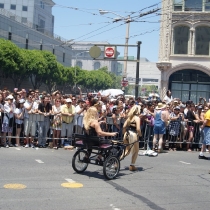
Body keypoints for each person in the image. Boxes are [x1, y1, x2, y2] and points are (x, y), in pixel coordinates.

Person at [122, 105, 142, 171]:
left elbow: (124, 126)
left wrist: (124, 134)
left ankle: (117, 161)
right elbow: (138, 129)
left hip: (127, 134)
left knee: (127, 150)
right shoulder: (137, 118)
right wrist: (140, 135)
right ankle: (132, 165)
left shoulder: (129, 117)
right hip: (133, 134)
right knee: (136, 151)